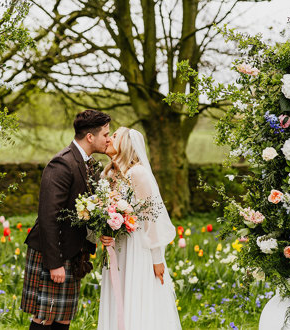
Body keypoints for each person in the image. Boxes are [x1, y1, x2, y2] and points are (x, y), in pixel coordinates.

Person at [21, 110, 111, 330]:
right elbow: (48, 216)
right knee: (45, 317)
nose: (108, 139)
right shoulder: (62, 164)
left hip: (73, 252)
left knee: (63, 318)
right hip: (52, 252)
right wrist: (54, 264)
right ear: (90, 137)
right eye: (105, 135)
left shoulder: (90, 164)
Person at [98, 127, 181, 330]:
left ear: (125, 143)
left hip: (137, 248)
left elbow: (152, 218)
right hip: (117, 248)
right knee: (118, 298)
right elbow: (102, 213)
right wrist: (104, 233)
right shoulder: (107, 175)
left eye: (114, 135)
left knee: (137, 297)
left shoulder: (138, 174)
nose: (108, 139)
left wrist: (157, 258)